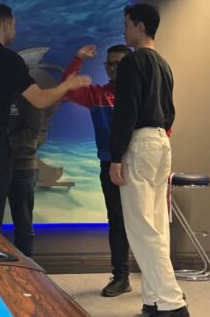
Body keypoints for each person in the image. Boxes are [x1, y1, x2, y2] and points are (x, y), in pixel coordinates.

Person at [0, 3, 90, 229]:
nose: (15, 30)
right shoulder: (10, 60)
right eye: (14, 25)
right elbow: (40, 100)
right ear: (7, 23)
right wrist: (67, 85)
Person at [109, 4, 188, 317]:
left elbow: (125, 111)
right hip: (161, 144)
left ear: (140, 26)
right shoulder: (164, 64)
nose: (124, 30)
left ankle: (172, 303)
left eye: (127, 24)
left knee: (142, 229)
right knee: (156, 225)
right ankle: (154, 301)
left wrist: (116, 156)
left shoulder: (132, 61)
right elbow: (170, 113)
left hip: (139, 143)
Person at [62, 43, 135, 296]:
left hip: (139, 163)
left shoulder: (142, 94)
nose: (113, 68)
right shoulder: (98, 95)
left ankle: (158, 278)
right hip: (109, 164)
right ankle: (121, 276)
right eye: (109, 64)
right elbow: (68, 89)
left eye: (119, 64)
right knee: (117, 220)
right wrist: (78, 58)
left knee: (147, 221)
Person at [6, 94, 52, 257]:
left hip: (22, 166)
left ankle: (25, 263)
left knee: (23, 221)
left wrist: (1, 144)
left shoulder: (30, 95)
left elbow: (33, 131)